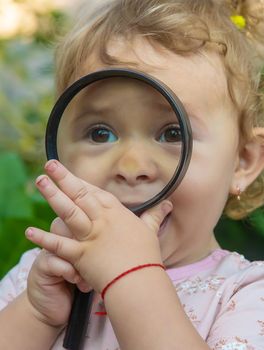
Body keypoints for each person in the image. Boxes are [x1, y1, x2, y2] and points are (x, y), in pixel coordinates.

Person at [1, 0, 264, 349]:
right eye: (100, 133)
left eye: (173, 133)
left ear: (242, 161)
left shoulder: (246, 295)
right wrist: (36, 315)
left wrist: (131, 278)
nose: (131, 168)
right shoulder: (36, 278)